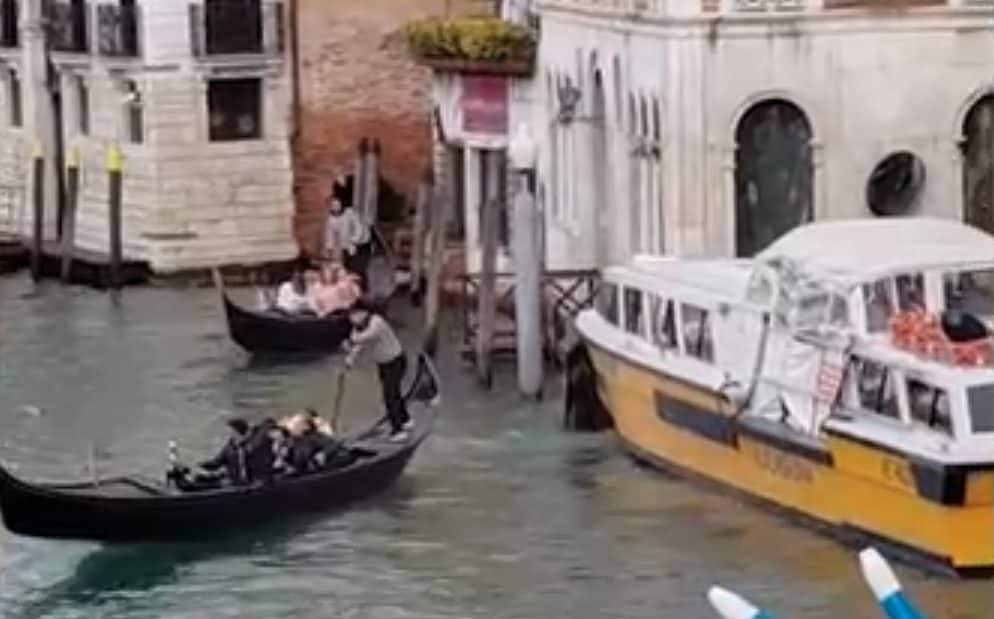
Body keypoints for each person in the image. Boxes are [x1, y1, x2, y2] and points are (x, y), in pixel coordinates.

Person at [344, 300, 413, 441]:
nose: (351, 318)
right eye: (350, 315)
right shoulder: (358, 327)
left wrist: (351, 341)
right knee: (394, 394)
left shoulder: (377, 322)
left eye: (354, 314)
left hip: (396, 361)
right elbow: (360, 345)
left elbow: (367, 336)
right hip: (383, 364)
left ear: (364, 312)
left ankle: (398, 431)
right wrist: (350, 359)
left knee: (390, 396)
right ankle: (406, 420)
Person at [199, 418, 252, 485]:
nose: (228, 433)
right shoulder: (229, 447)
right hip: (230, 478)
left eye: (231, 431)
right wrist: (202, 464)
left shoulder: (249, 446)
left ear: (236, 431)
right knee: (200, 479)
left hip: (242, 483)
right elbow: (217, 462)